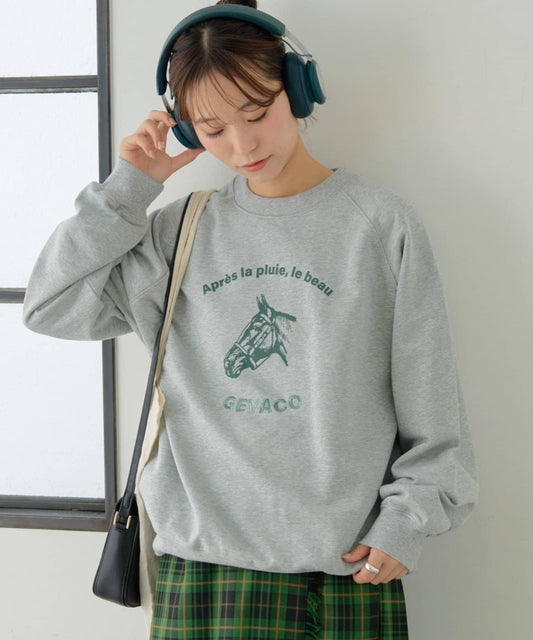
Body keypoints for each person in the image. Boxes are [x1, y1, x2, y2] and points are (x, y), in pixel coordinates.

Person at [22, 1, 479, 638]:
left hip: (343, 570)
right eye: (212, 129)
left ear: (298, 88)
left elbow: (434, 410)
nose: (241, 146)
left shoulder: (379, 227)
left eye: (258, 113)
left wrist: (408, 521)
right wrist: (129, 187)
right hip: (200, 571)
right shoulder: (179, 232)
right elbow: (49, 305)